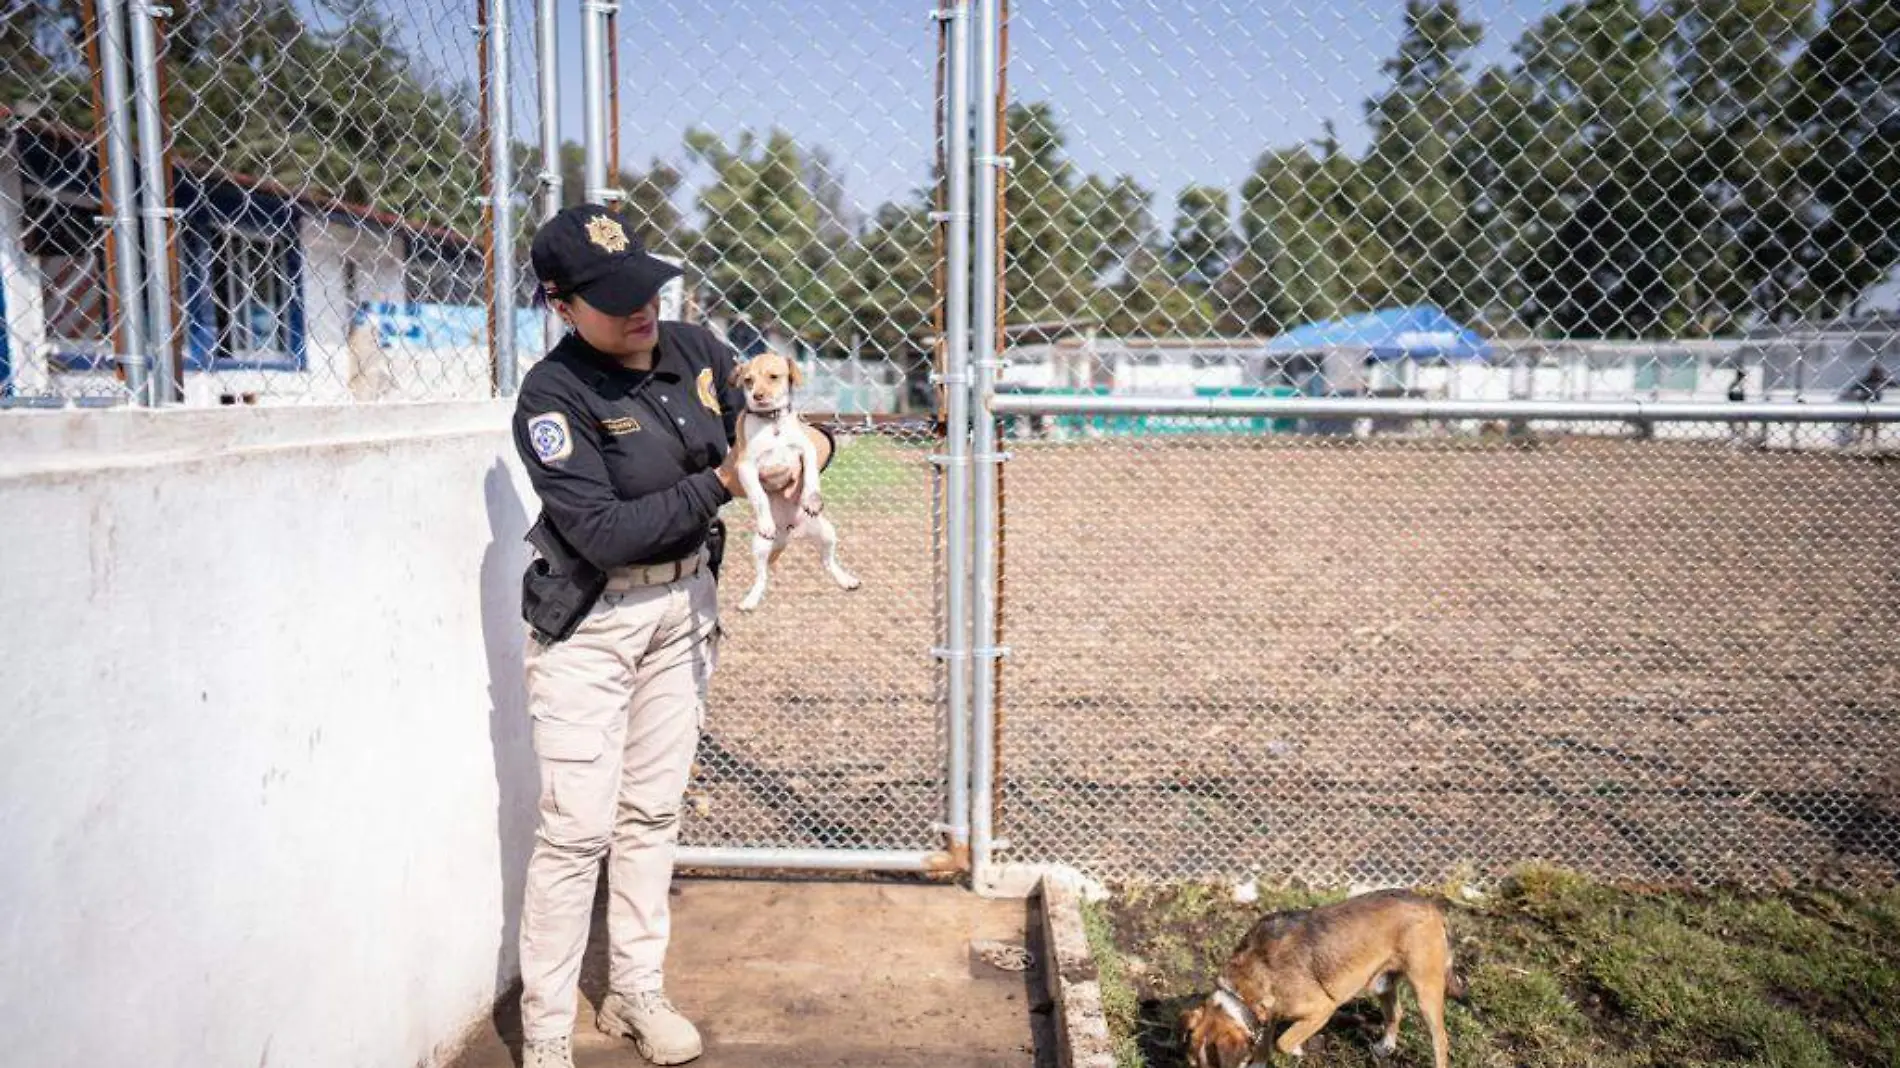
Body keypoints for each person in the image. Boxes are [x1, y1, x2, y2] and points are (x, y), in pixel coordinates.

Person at [509, 205, 828, 1068]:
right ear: (561, 303)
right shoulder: (552, 396)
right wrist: (725, 479)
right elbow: (604, 531)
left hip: (685, 608)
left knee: (651, 813)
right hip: (592, 625)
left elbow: (787, 418)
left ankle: (635, 992)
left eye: (647, 286)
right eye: (617, 299)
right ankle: (545, 1035)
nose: (643, 308)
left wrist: (811, 454)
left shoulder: (696, 350)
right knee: (576, 831)